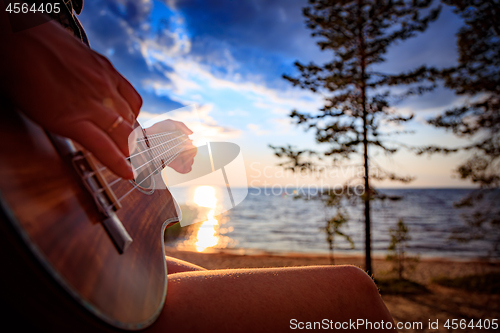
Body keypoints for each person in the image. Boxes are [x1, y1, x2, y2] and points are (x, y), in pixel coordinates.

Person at [0, 1, 396, 331]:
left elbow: (68, 159)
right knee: (352, 296)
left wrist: (147, 145)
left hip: (66, 242)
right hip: (31, 271)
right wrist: (21, 36)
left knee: (199, 275)